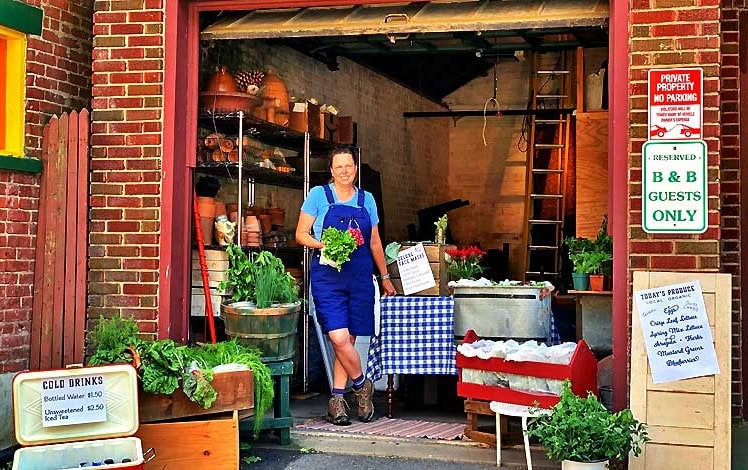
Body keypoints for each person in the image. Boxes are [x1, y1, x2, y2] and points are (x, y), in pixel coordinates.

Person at [296, 145, 396, 425]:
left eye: (348, 166)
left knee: (349, 341)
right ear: (331, 170)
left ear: (355, 168)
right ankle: (362, 385)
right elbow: (301, 234)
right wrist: (322, 244)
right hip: (328, 277)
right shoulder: (318, 195)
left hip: (360, 277)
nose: (344, 171)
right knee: (338, 338)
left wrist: (385, 277)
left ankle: (337, 401)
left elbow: (375, 242)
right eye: (338, 166)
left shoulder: (367, 200)